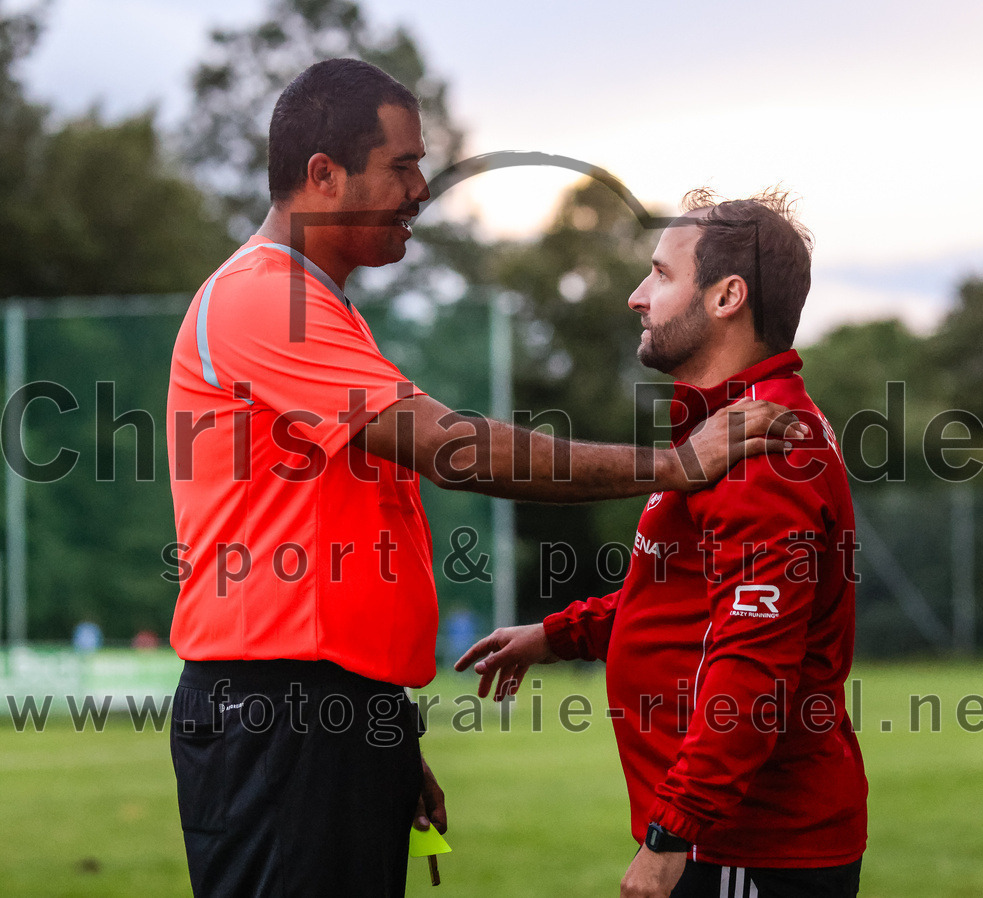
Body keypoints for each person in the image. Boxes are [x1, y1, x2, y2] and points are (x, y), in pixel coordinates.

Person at [165, 58, 807, 898]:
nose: (422, 187)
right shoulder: (264, 300)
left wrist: (384, 732)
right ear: (323, 176)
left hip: (320, 717)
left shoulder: (315, 306)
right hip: (281, 718)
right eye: (402, 164)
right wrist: (678, 466)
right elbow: (450, 447)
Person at [457, 190, 868, 898]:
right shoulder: (720, 432)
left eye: (661, 274)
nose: (636, 297)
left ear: (726, 297)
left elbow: (753, 662)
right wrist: (557, 634)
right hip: (725, 841)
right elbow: (683, 598)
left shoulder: (762, 451)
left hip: (748, 847)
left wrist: (671, 835)